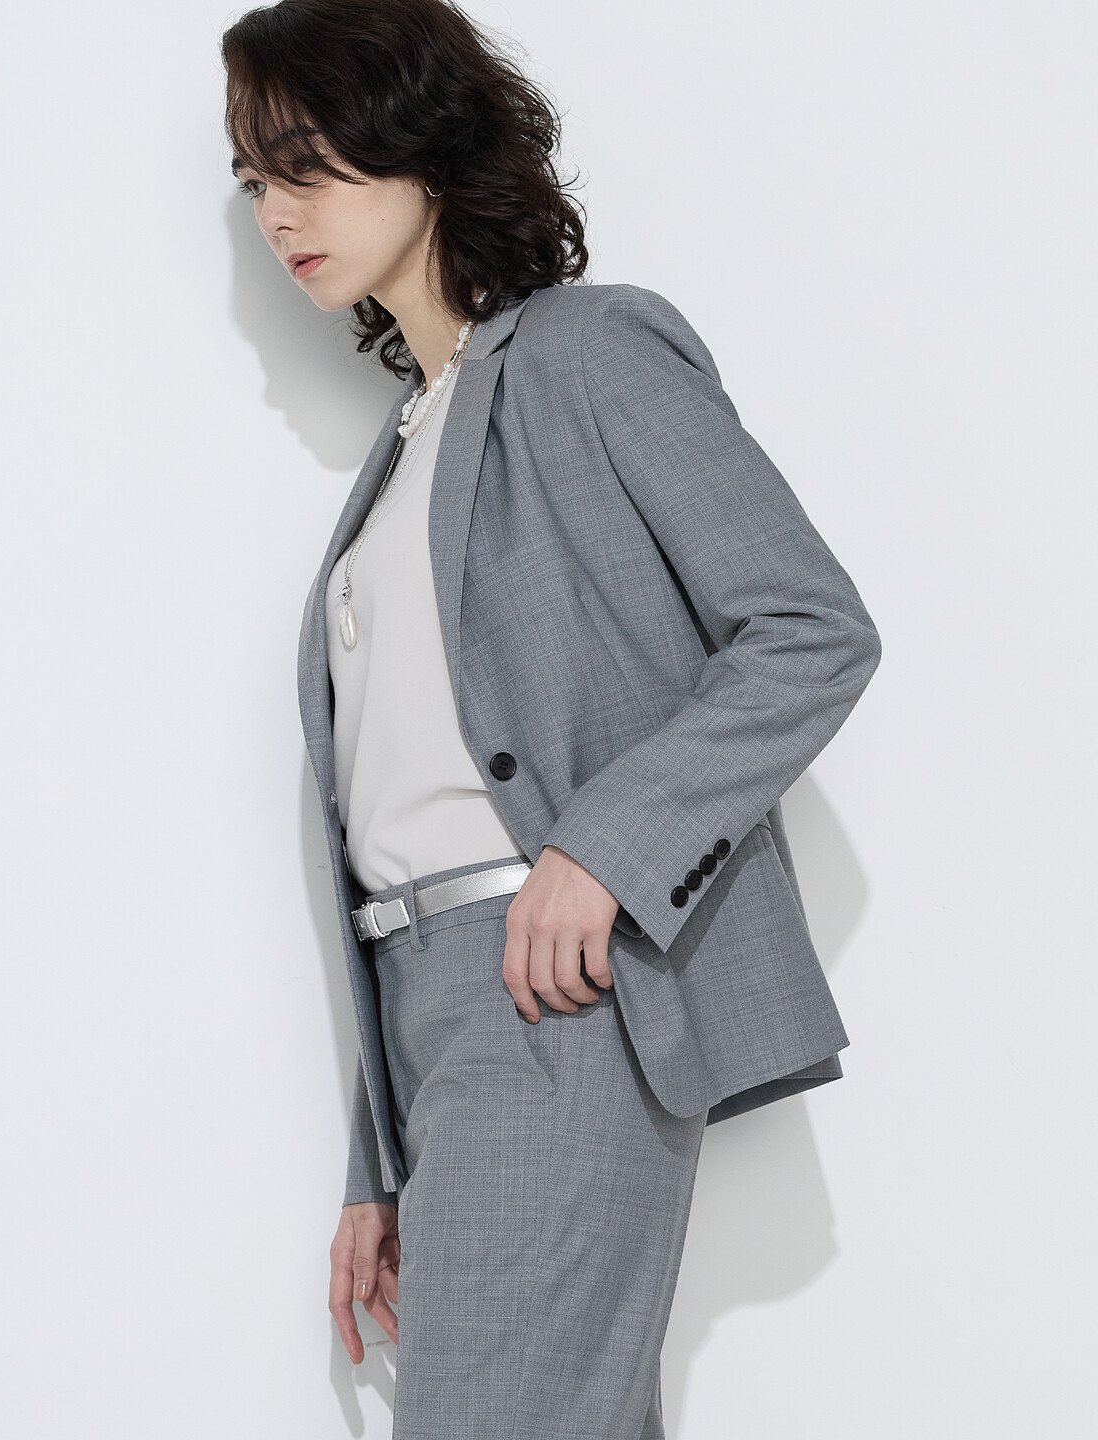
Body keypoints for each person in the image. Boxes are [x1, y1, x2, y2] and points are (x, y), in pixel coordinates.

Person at [221, 3, 882, 1436]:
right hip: (430, 1026)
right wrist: (377, 1164)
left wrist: (603, 851)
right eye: (253, 177)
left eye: (306, 161)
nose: (276, 210)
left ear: (421, 142)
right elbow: (396, 819)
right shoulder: (408, 445)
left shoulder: (585, 355)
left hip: (551, 992)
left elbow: (809, 629)